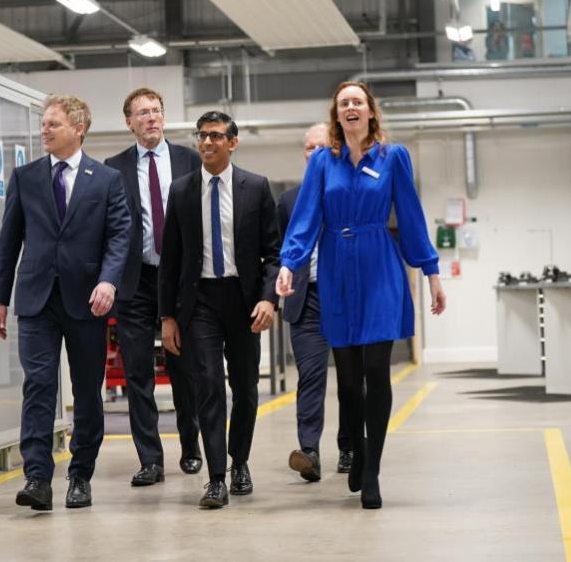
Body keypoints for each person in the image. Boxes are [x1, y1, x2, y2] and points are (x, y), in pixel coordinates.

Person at [277, 81, 446, 510]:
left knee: (376, 370)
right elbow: (306, 217)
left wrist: (431, 273)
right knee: (348, 382)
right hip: (336, 267)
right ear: (337, 114)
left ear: (371, 111)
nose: (351, 107)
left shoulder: (393, 157)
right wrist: (289, 264)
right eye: (343, 103)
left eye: (358, 101)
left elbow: (410, 216)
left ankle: (371, 472)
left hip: (379, 267)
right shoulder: (323, 163)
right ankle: (358, 447)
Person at [0, 95, 131, 511]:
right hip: (36, 299)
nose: (44, 130)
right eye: (43, 124)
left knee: (87, 391)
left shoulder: (105, 180)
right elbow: (9, 239)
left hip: (88, 301)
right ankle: (37, 478)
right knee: (38, 386)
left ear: (78, 128)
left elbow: (120, 236)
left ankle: (80, 476)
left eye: (53, 124)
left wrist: (109, 282)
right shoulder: (26, 176)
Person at [159, 111, 280, 509]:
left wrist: (268, 298)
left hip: (244, 301)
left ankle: (239, 461)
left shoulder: (256, 188)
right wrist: (168, 318)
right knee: (208, 386)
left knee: (244, 387)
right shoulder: (181, 191)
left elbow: (273, 255)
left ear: (233, 142)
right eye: (201, 136)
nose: (207, 143)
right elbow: (170, 260)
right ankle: (215, 478)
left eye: (215, 136)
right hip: (201, 302)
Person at [104, 87, 203, 486]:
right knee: (138, 374)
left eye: (157, 111)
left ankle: (191, 446)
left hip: (179, 280)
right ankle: (150, 459)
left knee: (185, 367)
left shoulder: (189, 161)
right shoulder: (115, 168)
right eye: (143, 113)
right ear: (129, 121)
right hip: (136, 279)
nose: (152, 118)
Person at [277, 123, 353, 482]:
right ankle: (309, 452)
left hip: (347, 299)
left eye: (322, 146)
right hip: (305, 300)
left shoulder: (352, 191)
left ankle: (350, 446)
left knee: (353, 378)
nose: (315, 153)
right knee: (310, 376)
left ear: (335, 149)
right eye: (309, 148)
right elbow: (279, 252)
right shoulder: (289, 200)